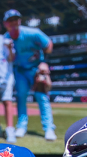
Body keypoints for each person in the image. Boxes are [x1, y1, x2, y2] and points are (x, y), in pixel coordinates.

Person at [5, 10, 55, 141]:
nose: (14, 23)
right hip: (20, 70)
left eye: (16, 19)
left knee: (41, 96)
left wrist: (45, 62)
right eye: (11, 20)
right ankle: (21, 126)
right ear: (6, 24)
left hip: (36, 69)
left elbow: (48, 44)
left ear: (19, 21)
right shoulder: (6, 38)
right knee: (21, 96)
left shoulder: (33, 33)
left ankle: (49, 128)